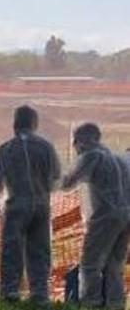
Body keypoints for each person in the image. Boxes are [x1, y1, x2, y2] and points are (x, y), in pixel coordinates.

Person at [0, 105, 61, 304]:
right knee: (39, 249)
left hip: (15, 206)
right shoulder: (46, 147)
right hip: (41, 205)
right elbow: (56, 178)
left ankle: (10, 292)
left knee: (12, 249)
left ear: (15, 124)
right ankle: (39, 294)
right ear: (34, 124)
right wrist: (43, 192)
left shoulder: (5, 149)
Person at [62, 123, 130, 309]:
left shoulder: (91, 156)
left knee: (90, 264)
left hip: (104, 217)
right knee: (114, 264)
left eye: (75, 143)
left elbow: (67, 182)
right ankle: (115, 303)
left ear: (80, 142)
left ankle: (91, 303)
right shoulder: (115, 157)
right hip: (125, 216)